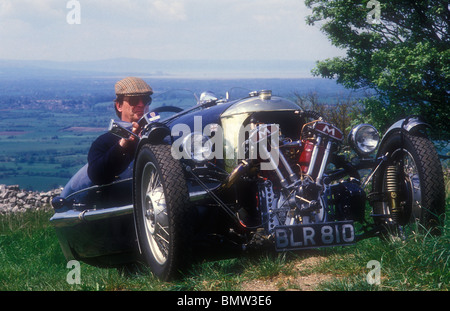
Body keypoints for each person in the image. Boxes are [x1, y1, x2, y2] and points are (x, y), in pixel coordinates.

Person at [87, 77, 153, 185]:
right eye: (134, 100)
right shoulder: (104, 142)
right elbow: (96, 175)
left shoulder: (157, 136)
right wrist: (122, 145)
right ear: (119, 105)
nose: (141, 104)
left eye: (146, 100)